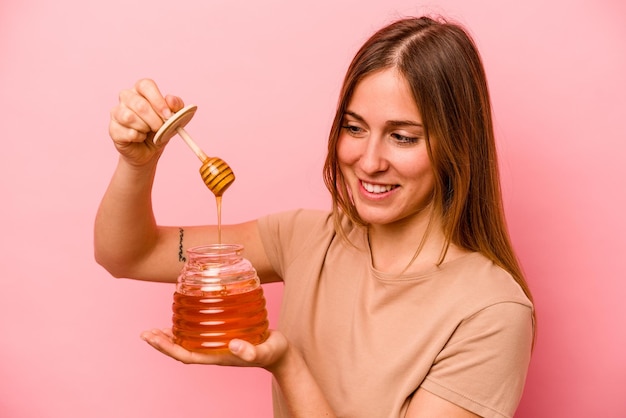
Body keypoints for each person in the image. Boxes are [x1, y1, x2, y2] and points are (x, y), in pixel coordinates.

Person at [95, 15, 534, 418]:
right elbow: (130, 255)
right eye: (354, 128)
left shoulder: (491, 311)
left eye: (402, 137)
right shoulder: (306, 238)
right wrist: (138, 163)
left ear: (457, 145)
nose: (369, 161)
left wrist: (288, 365)